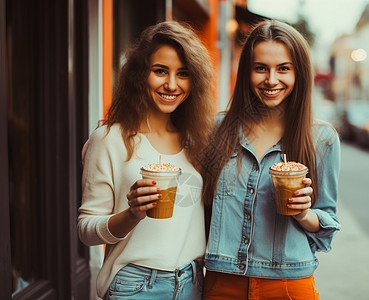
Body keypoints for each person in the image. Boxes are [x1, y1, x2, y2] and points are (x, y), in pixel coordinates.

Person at [200, 20, 340, 299]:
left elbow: (328, 222)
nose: (271, 80)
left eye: (283, 68)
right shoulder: (215, 131)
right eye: (260, 68)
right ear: (246, 72)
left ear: (299, 73)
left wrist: (304, 213)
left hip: (288, 285)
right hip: (222, 282)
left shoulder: (322, 139)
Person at [78, 21, 214, 299]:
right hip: (136, 285)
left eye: (183, 73)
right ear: (140, 75)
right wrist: (131, 214)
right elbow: (86, 230)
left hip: (192, 282)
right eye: (160, 71)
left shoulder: (197, 140)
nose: (172, 84)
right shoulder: (109, 140)